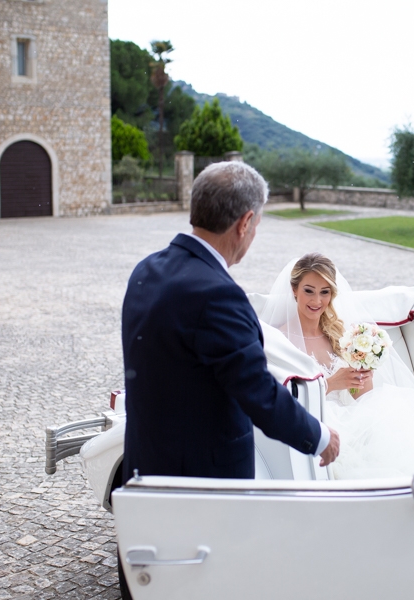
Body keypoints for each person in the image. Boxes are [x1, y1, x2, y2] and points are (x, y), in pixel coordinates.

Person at [120, 163, 340, 482]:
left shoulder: (146, 270)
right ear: (245, 222)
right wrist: (319, 437)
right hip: (203, 478)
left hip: (147, 462)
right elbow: (258, 391)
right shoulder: (218, 294)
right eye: (257, 225)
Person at [261, 253, 414, 479]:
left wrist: (363, 376)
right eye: (309, 290)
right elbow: (283, 398)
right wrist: (333, 383)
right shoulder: (281, 339)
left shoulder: (340, 335)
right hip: (317, 419)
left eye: (324, 292)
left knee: (388, 418)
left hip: (352, 415)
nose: (317, 301)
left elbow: (361, 396)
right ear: (294, 290)